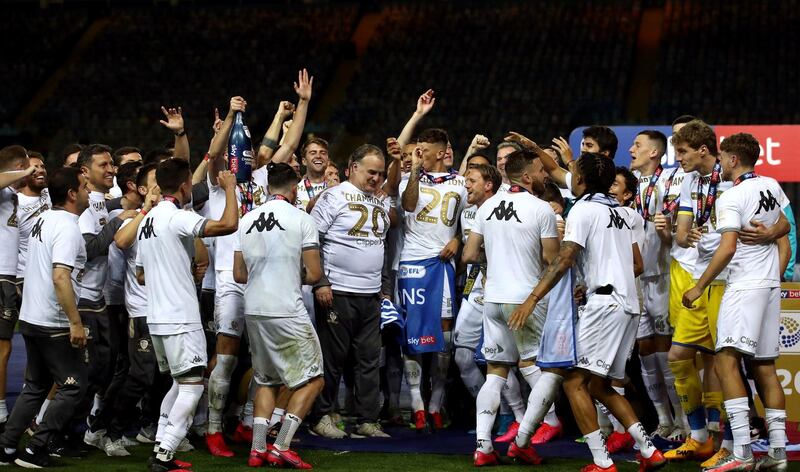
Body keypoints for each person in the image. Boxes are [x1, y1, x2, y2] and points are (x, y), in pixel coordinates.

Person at [511, 153, 665, 472]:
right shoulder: (621, 212)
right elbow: (634, 263)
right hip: (627, 305)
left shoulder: (582, 209)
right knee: (601, 385)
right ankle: (649, 451)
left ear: (580, 180)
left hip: (605, 304)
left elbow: (565, 258)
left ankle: (601, 461)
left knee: (573, 381)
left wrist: (533, 297)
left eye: (574, 171)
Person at [683, 133, 790, 472]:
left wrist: (699, 287)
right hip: (770, 285)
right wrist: (774, 250)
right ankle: (778, 454)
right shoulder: (771, 184)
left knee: (725, 363)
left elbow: (727, 247)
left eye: (723, 156)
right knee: (765, 367)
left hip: (744, 286)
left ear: (731, 159)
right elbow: (786, 225)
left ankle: (741, 451)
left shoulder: (731, 196)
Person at [136, 160, 239, 472]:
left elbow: (140, 275)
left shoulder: (147, 220)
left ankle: (160, 447)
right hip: (180, 317)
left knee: (180, 384)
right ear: (183, 187)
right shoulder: (177, 217)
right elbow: (227, 225)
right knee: (193, 387)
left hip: (156, 316)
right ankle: (165, 454)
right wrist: (231, 190)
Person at [462, 150, 559, 466]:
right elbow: (551, 260)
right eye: (542, 171)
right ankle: (523, 440)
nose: (546, 176)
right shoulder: (541, 209)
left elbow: (469, 254)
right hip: (526, 301)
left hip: (493, 298)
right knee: (546, 372)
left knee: (495, 373)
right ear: (528, 175)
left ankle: (482, 447)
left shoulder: (486, 207)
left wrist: (495, 268)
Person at [233, 162, 324, 469]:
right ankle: (282, 445)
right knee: (313, 380)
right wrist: (288, 272)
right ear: (295, 188)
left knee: (266, 380)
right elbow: (314, 273)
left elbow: (239, 274)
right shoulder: (301, 219)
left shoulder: (246, 220)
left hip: (254, 309)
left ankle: (258, 448)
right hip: (286, 308)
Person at [0, 167, 89, 468]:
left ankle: (7, 446)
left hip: (31, 317)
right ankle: (36, 449)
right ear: (73, 194)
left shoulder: (44, 219)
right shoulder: (67, 226)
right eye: (85, 187)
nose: (90, 192)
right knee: (74, 384)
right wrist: (75, 322)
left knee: (36, 385)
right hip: (54, 321)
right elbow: (61, 277)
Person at [311, 144, 396, 439]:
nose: (376, 178)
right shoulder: (333, 197)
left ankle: (368, 420)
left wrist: (384, 290)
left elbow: (382, 248)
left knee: (370, 360)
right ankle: (322, 416)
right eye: (372, 172)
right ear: (353, 167)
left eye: (381, 174)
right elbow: (312, 241)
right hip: (338, 292)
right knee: (332, 360)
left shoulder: (381, 202)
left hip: (370, 295)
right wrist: (320, 282)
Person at [398, 128, 467, 431]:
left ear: (440, 153)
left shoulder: (463, 184)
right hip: (412, 262)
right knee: (413, 333)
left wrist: (459, 242)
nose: (419, 154)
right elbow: (409, 205)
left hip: (443, 265)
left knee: (444, 333)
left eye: (424, 150)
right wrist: (413, 170)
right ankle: (416, 402)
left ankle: (436, 401)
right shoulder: (409, 179)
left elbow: (471, 224)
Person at [78, 144, 138, 447]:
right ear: (85, 170)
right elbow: (89, 251)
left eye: (112, 164)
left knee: (105, 368)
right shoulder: (84, 204)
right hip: (84, 299)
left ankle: (92, 429)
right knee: (90, 371)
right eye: (104, 165)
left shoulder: (103, 202)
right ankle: (56, 431)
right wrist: (118, 222)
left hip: (102, 297)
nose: (111, 169)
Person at [0, 146, 35, 426]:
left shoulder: (11, 195)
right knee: (3, 348)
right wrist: (24, 173)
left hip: (9, 278)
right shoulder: (3, 190)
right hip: (0, 276)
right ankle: (0, 411)